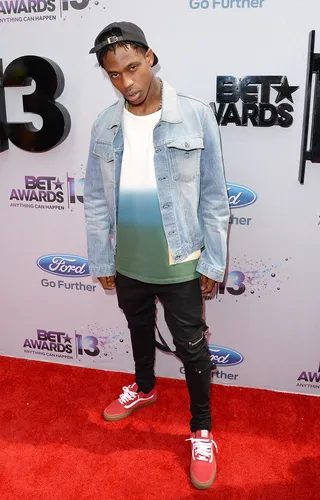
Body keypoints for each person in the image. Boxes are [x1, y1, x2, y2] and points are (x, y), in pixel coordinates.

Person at [84, 21, 230, 490]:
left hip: (181, 258)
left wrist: (211, 260)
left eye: (131, 67)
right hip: (128, 259)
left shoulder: (194, 114)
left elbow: (214, 193)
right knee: (138, 325)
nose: (126, 82)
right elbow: (95, 199)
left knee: (192, 348)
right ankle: (144, 388)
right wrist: (102, 259)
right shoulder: (104, 123)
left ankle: (201, 429)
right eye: (113, 74)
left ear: (150, 57)